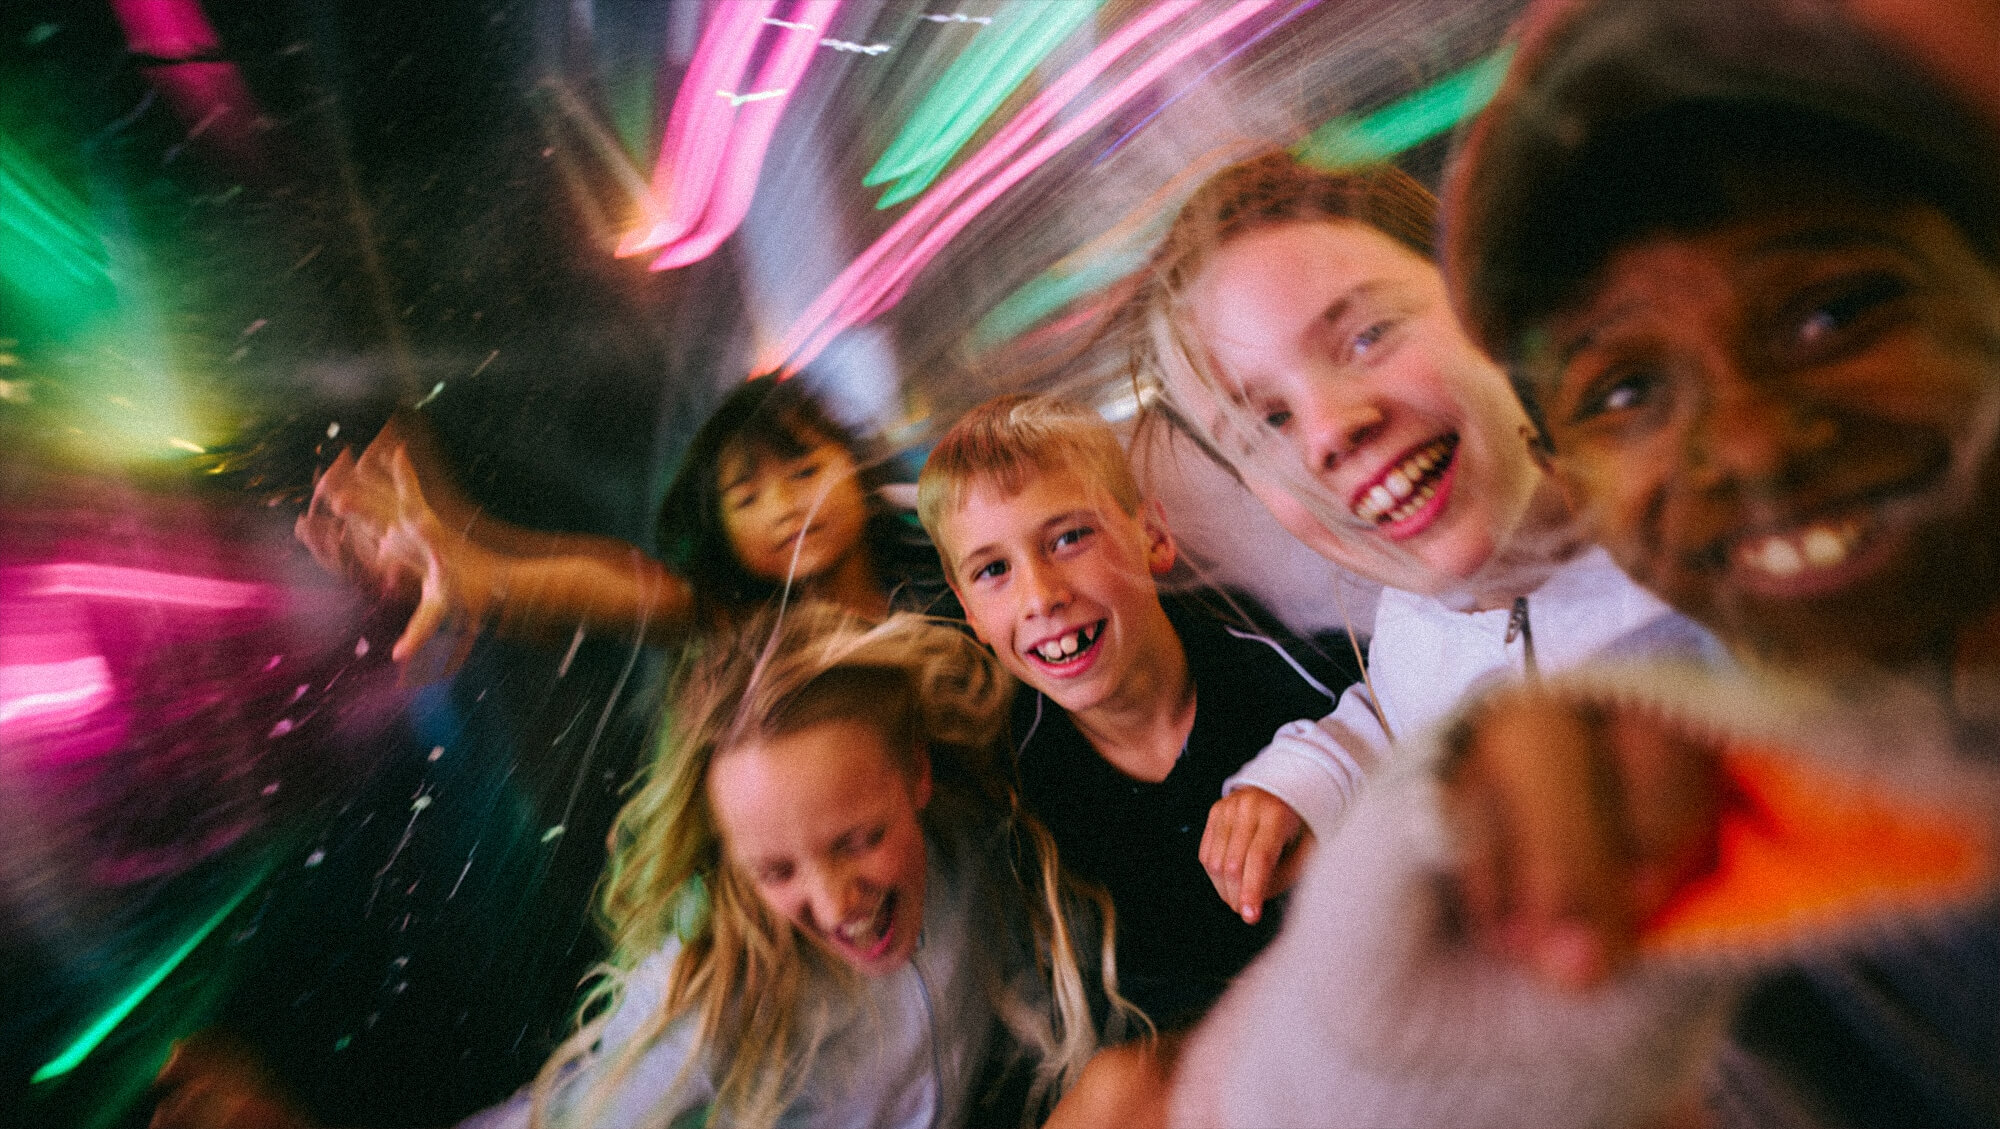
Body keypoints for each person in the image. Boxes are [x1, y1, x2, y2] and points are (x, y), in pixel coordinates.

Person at [1434, 0, 2000, 1123]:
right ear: (1564, 472)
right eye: (1625, 391)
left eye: (1833, 312)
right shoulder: (1674, 812)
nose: (1747, 444)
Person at [152, 602, 1135, 1128]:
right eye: (777, 869)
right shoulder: (717, 991)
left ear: (916, 775)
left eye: (855, 839)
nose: (833, 900)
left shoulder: (986, 854)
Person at [1127, 151, 1717, 978]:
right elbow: (1402, 705)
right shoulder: (1411, 619)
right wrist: (1315, 772)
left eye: (1367, 334)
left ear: (1490, 309)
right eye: (1266, 423)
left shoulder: (1703, 568)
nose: (1330, 430)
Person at [915, 395, 1349, 1030]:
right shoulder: (1017, 796)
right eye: (993, 570)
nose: (1041, 596)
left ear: (1153, 538)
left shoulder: (1307, 686)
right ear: (971, 614)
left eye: (1068, 538)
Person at [297, 374, 948, 670]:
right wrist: (471, 568)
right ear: (721, 531)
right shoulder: (738, 624)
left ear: (857, 469)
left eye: (804, 473)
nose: (785, 507)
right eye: (747, 497)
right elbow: (598, 582)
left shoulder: (946, 576)